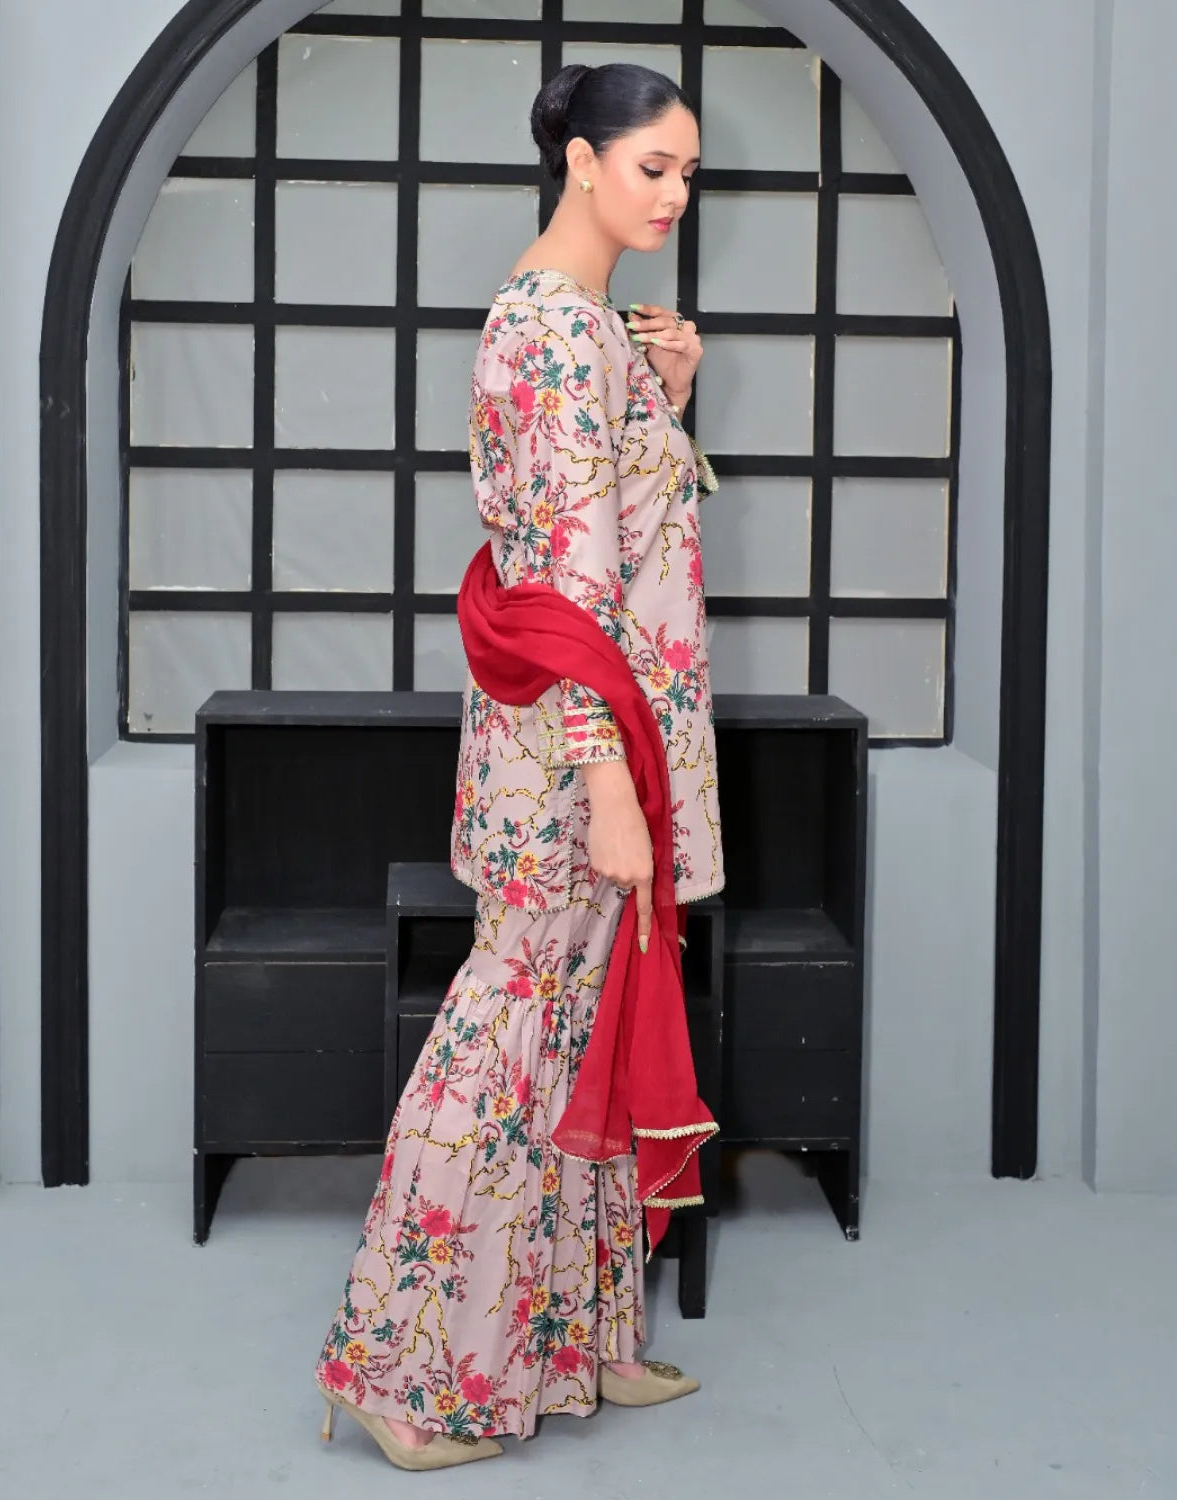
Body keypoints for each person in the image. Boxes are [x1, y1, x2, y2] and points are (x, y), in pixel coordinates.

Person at [313, 60, 725, 1472]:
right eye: (653, 167)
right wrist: (608, 780)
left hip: (611, 745)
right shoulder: (546, 332)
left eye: (687, 174)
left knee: (576, 1044)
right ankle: (397, 1374)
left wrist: (667, 398)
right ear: (582, 162)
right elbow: (562, 588)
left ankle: (575, 1351)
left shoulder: (602, 334)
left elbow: (625, 535)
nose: (672, 195)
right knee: (500, 1049)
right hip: (571, 755)